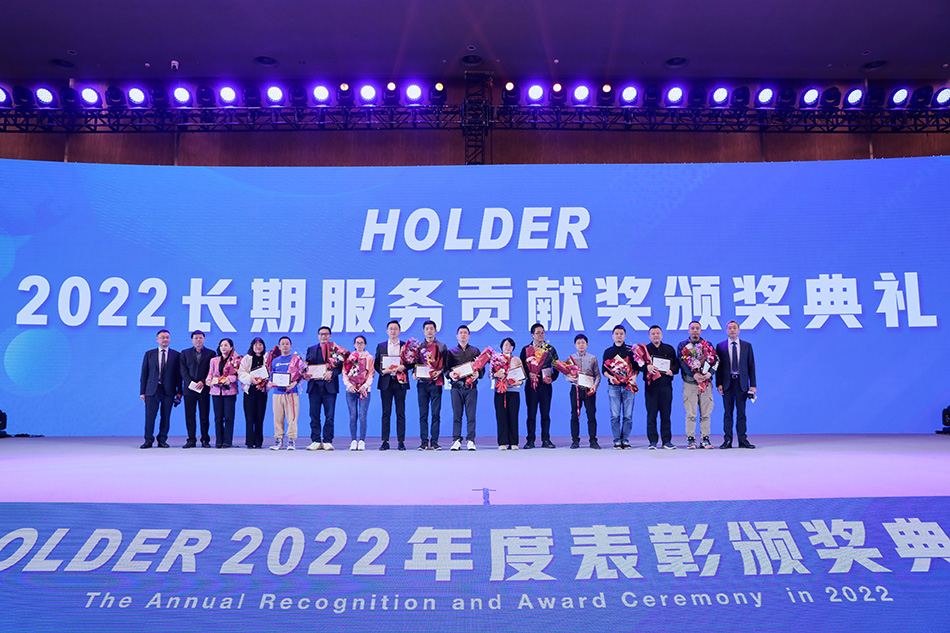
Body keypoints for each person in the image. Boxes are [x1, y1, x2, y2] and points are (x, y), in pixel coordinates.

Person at [677, 321, 719, 450]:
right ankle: (691, 439)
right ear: (688, 330)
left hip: (706, 384)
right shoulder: (682, 345)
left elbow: (715, 361)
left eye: (697, 328)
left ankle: (705, 438)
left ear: (700, 330)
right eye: (692, 328)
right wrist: (693, 374)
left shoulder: (708, 345)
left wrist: (709, 373)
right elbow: (682, 363)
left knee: (706, 413)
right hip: (690, 383)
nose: (695, 330)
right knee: (691, 413)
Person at [716, 321, 757, 449]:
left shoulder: (747, 346)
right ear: (726, 330)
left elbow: (751, 366)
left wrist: (753, 385)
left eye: (734, 328)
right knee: (728, 413)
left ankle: (742, 440)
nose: (732, 330)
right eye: (730, 328)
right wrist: (719, 383)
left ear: (739, 330)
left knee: (741, 413)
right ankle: (727, 440)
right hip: (727, 384)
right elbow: (718, 367)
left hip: (742, 384)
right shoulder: (720, 346)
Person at [139, 329, 181, 448]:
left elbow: (178, 375)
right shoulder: (149, 354)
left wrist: (179, 391)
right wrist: (142, 392)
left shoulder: (176, 355)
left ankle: (162, 440)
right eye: (162, 337)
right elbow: (144, 374)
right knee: (150, 416)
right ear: (157, 339)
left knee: (166, 416)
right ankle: (148, 440)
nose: (165, 339)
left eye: (167, 337)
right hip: (152, 390)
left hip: (169, 390)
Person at [445, 324, 484, 451]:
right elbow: (446, 370)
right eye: (461, 333)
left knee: (471, 415)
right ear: (457, 336)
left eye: (465, 333)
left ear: (469, 336)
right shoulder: (451, 352)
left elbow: (481, 370)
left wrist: (478, 374)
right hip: (456, 388)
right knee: (457, 415)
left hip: (471, 387)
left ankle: (470, 440)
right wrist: (450, 375)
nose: (463, 335)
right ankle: (456, 440)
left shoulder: (475, 351)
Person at [520, 323, 559, 449]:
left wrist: (552, 378)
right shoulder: (526, 349)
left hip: (545, 386)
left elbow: (557, 366)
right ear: (532, 335)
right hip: (531, 386)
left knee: (545, 414)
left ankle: (546, 440)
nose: (541, 335)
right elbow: (521, 367)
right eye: (538, 333)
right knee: (531, 414)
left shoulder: (550, 349)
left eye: (542, 333)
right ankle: (530, 440)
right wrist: (528, 374)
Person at [304, 326, 342, 451]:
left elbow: (340, 367)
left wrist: (332, 373)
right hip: (314, 387)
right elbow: (306, 366)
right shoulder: (311, 349)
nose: (323, 336)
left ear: (330, 336)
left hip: (329, 388)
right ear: (318, 336)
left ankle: (327, 441)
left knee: (329, 416)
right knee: (314, 415)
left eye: (326, 334)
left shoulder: (335, 350)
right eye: (321, 334)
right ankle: (315, 440)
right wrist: (306, 374)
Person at [642, 325, 679, 450]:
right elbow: (638, 365)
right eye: (653, 333)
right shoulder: (645, 350)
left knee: (666, 415)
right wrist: (646, 367)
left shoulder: (669, 349)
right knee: (651, 415)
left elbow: (676, 365)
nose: (656, 335)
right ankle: (652, 441)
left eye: (658, 333)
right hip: (651, 388)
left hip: (666, 387)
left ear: (661, 335)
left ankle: (666, 441)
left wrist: (672, 370)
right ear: (649, 336)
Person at [375, 320, 409, 451]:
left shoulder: (405, 346)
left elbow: (411, 362)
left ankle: (401, 441)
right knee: (386, 412)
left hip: (400, 382)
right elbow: (376, 363)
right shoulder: (381, 346)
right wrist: (383, 371)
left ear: (399, 331)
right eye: (391, 329)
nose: (393, 331)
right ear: (387, 331)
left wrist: (404, 367)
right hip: (386, 382)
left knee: (400, 412)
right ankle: (385, 441)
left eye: (395, 329)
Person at [267, 336, 306, 451]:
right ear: (279, 347)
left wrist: (294, 383)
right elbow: (271, 376)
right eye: (282, 344)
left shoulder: (296, 359)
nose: (285, 346)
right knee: (277, 418)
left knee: (292, 418)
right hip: (277, 393)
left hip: (291, 393)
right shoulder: (275, 361)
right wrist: (271, 383)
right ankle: (278, 440)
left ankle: (291, 440)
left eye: (287, 343)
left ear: (290, 346)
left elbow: (302, 375)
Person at [602, 325, 636, 450]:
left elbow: (636, 368)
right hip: (614, 387)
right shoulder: (608, 352)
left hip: (628, 386)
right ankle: (617, 440)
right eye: (616, 333)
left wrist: (634, 377)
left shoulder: (631, 351)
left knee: (628, 416)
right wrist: (610, 377)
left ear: (625, 335)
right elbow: (604, 370)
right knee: (615, 415)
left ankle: (625, 439)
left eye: (621, 333)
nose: (619, 336)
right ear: (613, 336)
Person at [414, 320, 447, 450]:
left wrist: (440, 371)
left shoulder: (442, 346)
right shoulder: (418, 347)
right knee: (423, 414)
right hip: (422, 383)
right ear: (423, 331)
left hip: (436, 383)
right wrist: (414, 373)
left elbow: (446, 364)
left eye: (431, 328)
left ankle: (434, 442)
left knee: (435, 414)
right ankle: (423, 442)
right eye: (427, 329)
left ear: (435, 331)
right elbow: (415, 363)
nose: (429, 331)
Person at [179, 330, 214, 448]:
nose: (198, 340)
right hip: (189, 389)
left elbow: (211, 370)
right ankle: (191, 439)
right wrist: (190, 383)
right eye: (196, 338)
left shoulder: (211, 353)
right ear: (192, 340)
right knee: (190, 415)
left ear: (204, 339)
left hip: (203, 389)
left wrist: (203, 381)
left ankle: (205, 439)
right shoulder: (185, 353)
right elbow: (183, 370)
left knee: (204, 415)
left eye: (200, 338)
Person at [566, 334, 601, 449]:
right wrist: (569, 378)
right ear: (575, 345)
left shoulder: (592, 358)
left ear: (587, 344)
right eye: (578, 343)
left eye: (583, 343)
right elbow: (566, 374)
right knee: (574, 415)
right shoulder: (570, 358)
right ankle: (575, 441)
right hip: (575, 389)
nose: (581, 345)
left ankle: (593, 440)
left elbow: (597, 375)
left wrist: (595, 386)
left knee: (591, 415)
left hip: (589, 390)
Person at [206, 338, 241, 448]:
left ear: (231, 347)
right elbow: (210, 373)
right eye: (221, 345)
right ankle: (219, 440)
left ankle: (227, 441)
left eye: (226, 345)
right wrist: (208, 380)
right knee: (218, 417)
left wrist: (229, 379)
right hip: (216, 391)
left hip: (230, 391)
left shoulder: (235, 361)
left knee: (229, 417)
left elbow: (238, 375)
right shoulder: (214, 360)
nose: (223, 347)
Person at [342, 335, 375, 451]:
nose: (359, 344)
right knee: (352, 416)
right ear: (354, 344)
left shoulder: (369, 357)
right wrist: (349, 385)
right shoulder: (349, 357)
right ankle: (353, 440)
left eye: (361, 343)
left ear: (365, 344)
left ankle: (361, 440)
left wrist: (365, 386)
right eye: (357, 342)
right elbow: (345, 373)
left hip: (364, 391)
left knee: (362, 416)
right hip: (351, 390)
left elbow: (371, 373)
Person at [492, 337, 524, 450]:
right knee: (501, 416)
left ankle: (513, 442)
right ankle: (502, 442)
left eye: (510, 345)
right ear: (501, 347)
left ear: (513, 348)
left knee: (513, 416)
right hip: (500, 391)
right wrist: (496, 374)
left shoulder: (517, 360)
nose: (508, 347)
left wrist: (518, 382)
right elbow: (490, 375)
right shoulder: (496, 359)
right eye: (505, 345)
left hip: (514, 391)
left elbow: (522, 377)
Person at [238, 337, 268, 449]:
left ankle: (259, 441)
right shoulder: (246, 358)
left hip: (262, 391)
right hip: (249, 391)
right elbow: (241, 373)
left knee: (260, 417)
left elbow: (271, 372)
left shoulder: (267, 358)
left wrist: (265, 379)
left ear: (263, 346)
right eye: (256, 344)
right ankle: (249, 441)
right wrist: (252, 379)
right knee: (249, 417)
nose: (258, 346)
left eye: (260, 344)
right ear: (252, 346)